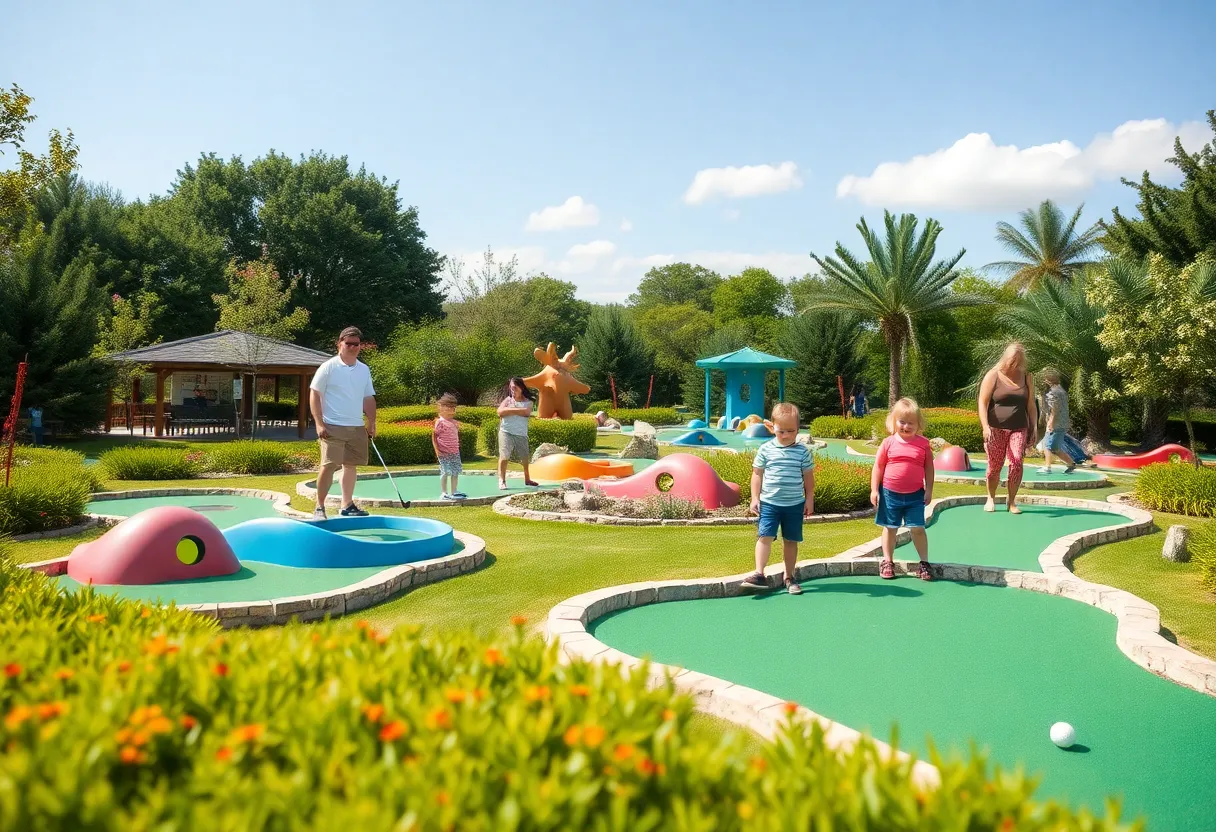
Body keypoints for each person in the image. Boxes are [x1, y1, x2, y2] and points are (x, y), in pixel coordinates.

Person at [740, 402, 815, 595]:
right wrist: (754, 498)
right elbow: (757, 474)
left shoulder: (802, 452)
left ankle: (789, 577)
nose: (787, 435)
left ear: (798, 428)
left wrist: (809, 499)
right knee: (764, 536)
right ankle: (759, 573)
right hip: (770, 504)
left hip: (794, 504)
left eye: (791, 431)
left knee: (791, 540)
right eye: (781, 431)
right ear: (772, 427)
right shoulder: (765, 449)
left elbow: (808, 477)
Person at [309, 326, 383, 520]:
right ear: (339, 344)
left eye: (356, 344)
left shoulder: (364, 369)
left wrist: (371, 422)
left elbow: (368, 397)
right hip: (332, 426)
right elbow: (314, 394)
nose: (352, 347)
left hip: (356, 427)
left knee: (350, 465)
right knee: (328, 465)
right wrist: (319, 423)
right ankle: (319, 507)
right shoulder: (328, 367)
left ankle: (347, 505)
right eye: (348, 343)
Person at [871, 397, 935, 581]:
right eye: (902, 422)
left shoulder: (923, 444)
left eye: (911, 423)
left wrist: (929, 490)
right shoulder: (888, 442)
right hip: (890, 494)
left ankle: (924, 563)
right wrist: (874, 490)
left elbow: (929, 468)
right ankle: (888, 562)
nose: (906, 426)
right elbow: (878, 466)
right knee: (890, 528)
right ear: (894, 421)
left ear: (918, 424)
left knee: (917, 529)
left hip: (915, 495)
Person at [977, 342, 1038, 514]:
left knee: (1017, 461)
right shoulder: (993, 375)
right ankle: (991, 497)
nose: (1013, 365)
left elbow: (1031, 405)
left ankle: (1011, 501)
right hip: (995, 428)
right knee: (994, 466)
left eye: (1017, 362)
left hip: (1019, 427)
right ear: (1005, 358)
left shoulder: (1027, 377)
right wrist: (985, 426)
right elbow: (983, 402)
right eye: (1011, 361)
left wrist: (1034, 426)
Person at [497, 377, 539, 490]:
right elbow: (500, 412)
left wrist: (508, 410)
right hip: (506, 432)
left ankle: (527, 479)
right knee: (504, 456)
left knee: (525, 459)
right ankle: (502, 481)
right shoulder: (507, 400)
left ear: (521, 388)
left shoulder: (528, 402)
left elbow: (526, 412)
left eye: (515, 387)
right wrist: (517, 410)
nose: (512, 390)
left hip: (521, 433)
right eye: (511, 388)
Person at [1038, 368, 1076, 475]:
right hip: (1063, 423)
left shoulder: (1053, 392)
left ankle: (1047, 467)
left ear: (1048, 379)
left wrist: (1051, 423)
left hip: (1056, 424)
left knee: (1047, 445)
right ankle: (1071, 463)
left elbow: (1055, 409)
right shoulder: (1062, 391)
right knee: (1055, 448)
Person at [432, 393, 467, 501]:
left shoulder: (454, 423)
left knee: (455, 471)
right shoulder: (439, 422)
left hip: (454, 451)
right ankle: (444, 493)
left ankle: (454, 491)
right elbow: (434, 437)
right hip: (444, 452)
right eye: (449, 407)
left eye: (453, 408)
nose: (452, 410)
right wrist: (437, 450)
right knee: (445, 472)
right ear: (442, 407)